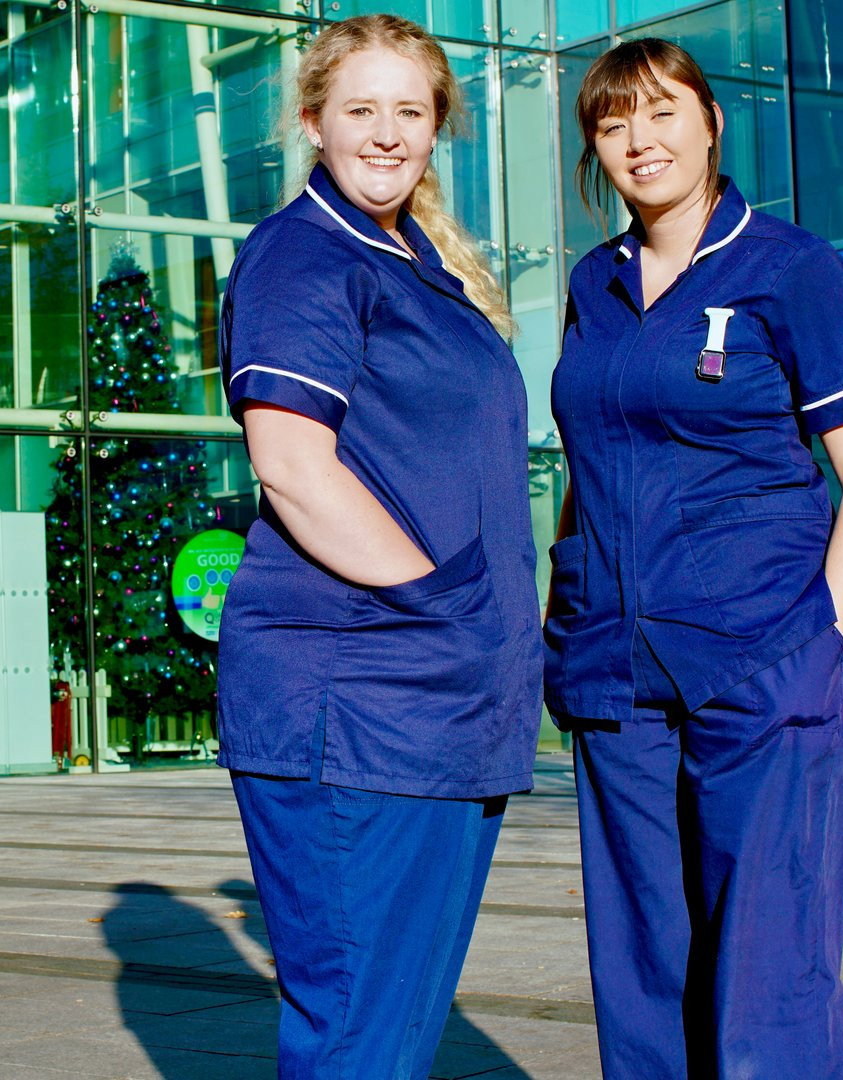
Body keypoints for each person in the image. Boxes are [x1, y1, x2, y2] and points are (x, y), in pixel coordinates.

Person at [544, 40, 843, 1080]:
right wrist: (570, 612)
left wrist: (817, 644)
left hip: (763, 663)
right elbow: (590, 462)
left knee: (769, 976)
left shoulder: (789, 269)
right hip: (618, 673)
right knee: (645, 973)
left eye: (660, 113)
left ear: (710, 123)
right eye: (613, 125)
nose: (638, 141)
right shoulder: (593, 282)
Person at [213, 15, 543, 1076]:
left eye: (411, 110)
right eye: (361, 109)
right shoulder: (302, 257)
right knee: (359, 1027)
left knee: (392, 1033)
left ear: (439, 126)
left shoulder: (418, 264)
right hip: (362, 702)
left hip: (439, 702)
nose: (388, 134)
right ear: (313, 122)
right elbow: (295, 470)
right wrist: (443, 610)